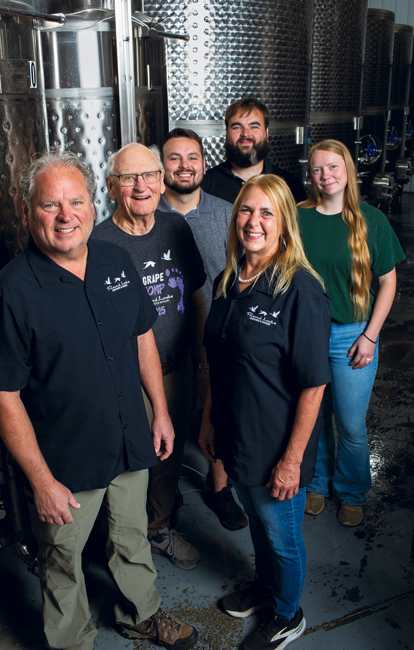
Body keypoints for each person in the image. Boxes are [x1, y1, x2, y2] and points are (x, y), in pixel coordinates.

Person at [0, 151, 198, 650]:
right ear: (28, 212)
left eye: (75, 201)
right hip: (65, 462)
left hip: (128, 436)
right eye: (50, 205)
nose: (65, 215)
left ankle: (140, 613)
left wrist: (158, 411)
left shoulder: (114, 260)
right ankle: (73, 641)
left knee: (131, 536)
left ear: (93, 207)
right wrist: (41, 481)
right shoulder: (10, 294)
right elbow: (2, 399)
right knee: (62, 559)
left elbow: (143, 335)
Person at [199, 174, 331, 650]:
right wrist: (210, 418)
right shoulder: (228, 280)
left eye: (266, 212)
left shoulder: (300, 290)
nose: (253, 222)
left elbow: (314, 384)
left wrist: (292, 459)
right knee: (257, 522)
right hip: (237, 433)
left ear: (284, 223)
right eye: (246, 211)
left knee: (281, 534)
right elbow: (220, 361)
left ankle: (286, 612)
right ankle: (265, 588)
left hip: (277, 442)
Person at [93, 143, 206, 571]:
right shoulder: (98, 242)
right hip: (126, 379)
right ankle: (126, 543)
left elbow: (193, 299)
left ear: (161, 181)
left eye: (148, 176)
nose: (140, 186)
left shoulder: (176, 227)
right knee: (131, 466)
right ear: (110, 187)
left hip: (177, 369)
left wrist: (202, 366)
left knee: (168, 457)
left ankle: (158, 529)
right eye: (128, 178)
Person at [298, 139, 406, 527]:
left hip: (353, 334)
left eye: (333, 167)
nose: (326, 176)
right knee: (313, 416)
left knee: (350, 423)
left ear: (347, 170)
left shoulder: (369, 219)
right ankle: (316, 486)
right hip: (307, 335)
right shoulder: (298, 217)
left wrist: (370, 336)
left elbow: (389, 282)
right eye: (317, 169)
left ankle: (353, 491)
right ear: (309, 175)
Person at [159, 127, 248, 531]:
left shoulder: (227, 212)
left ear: (203, 162)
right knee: (170, 421)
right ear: (162, 166)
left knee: (222, 413)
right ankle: (166, 492)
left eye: (192, 157)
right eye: (174, 158)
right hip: (165, 344)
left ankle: (220, 489)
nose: (184, 166)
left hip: (218, 335)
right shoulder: (148, 213)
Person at [201, 98, 306, 204]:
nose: (245, 133)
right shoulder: (204, 186)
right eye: (237, 127)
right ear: (227, 132)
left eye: (254, 127)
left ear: (266, 132)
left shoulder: (291, 185)